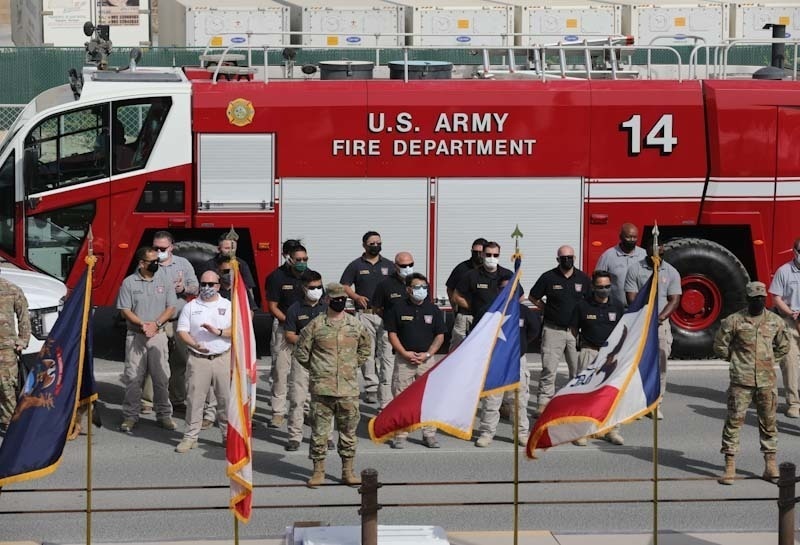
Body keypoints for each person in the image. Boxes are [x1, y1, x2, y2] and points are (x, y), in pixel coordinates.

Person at [294, 283, 371, 488]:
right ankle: (318, 471)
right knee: (320, 433)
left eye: (343, 299)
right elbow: (301, 352)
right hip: (322, 389)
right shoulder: (315, 325)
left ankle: (348, 471)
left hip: (348, 390)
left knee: (348, 433)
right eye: (336, 298)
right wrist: (319, 369)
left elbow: (365, 349)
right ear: (327, 300)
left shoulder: (355, 325)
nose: (339, 302)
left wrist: (351, 366)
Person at [713, 281, 790, 485]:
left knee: (769, 423)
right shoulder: (734, 321)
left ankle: (770, 464)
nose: (758, 301)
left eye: (761, 298)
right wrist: (735, 359)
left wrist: (769, 360)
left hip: (766, 381)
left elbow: (783, 346)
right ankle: (730, 466)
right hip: (741, 380)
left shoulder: (775, 321)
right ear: (747, 299)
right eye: (754, 298)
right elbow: (720, 345)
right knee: (734, 422)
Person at [117, 247, 178, 432]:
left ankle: (164, 415)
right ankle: (130, 416)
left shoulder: (164, 279)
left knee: (161, 377)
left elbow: (171, 307)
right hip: (136, 335)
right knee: (133, 378)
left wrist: (156, 324)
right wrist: (143, 324)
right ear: (142, 263)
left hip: (158, 335)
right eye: (152, 261)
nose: (156, 264)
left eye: (157, 261)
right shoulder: (129, 283)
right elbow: (125, 310)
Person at [475, 276, 540, 448]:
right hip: (495, 363)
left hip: (517, 362)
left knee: (519, 402)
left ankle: (521, 434)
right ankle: (486, 433)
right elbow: (476, 334)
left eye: (512, 289)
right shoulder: (488, 311)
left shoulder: (525, 312)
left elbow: (533, 332)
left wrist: (520, 347)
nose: (509, 292)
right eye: (504, 288)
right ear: (498, 291)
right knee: (491, 401)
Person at [384, 273, 446, 449]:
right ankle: (401, 434)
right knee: (401, 398)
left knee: (429, 398)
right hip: (404, 361)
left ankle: (429, 434)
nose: (422, 291)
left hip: (426, 360)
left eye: (424, 287)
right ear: (408, 289)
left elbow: (440, 336)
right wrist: (404, 353)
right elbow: (392, 334)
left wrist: (428, 354)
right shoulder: (397, 308)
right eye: (418, 287)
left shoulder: (433, 310)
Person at [529, 245, 591, 417]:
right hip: (552, 330)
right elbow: (533, 296)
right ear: (558, 259)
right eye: (563, 257)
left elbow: (590, 301)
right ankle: (543, 403)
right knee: (549, 369)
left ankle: (573, 404)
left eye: (570, 257)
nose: (567, 260)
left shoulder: (583, 279)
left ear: (575, 258)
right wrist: (545, 309)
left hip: (574, 332)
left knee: (576, 371)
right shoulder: (548, 277)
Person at [174, 270, 231, 453]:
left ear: (218, 286)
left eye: (211, 284)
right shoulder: (190, 307)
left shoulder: (228, 305)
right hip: (198, 359)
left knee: (225, 400)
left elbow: (237, 329)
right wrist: (196, 345)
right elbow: (182, 331)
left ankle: (228, 436)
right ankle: (190, 437)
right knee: (194, 400)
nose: (207, 288)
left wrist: (219, 332)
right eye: (203, 284)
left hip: (222, 358)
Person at [625, 243, 681, 420]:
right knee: (638, 364)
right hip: (640, 323)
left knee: (660, 365)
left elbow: (674, 300)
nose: (658, 257)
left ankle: (655, 403)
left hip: (660, 324)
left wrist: (660, 318)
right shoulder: (635, 269)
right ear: (647, 254)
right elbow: (632, 297)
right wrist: (646, 317)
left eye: (661, 254)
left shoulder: (671, 272)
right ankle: (637, 404)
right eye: (654, 254)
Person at [572, 270, 625, 446]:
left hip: (610, 356)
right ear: (593, 287)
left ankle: (611, 430)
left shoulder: (617, 306)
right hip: (589, 352)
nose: (604, 290)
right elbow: (574, 330)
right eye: (600, 287)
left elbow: (622, 331)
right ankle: (582, 432)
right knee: (585, 393)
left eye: (607, 286)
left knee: (610, 393)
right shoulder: (582, 305)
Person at [340, 231, 393, 405]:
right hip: (365, 315)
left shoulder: (389, 265)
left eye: (378, 242)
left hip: (386, 315)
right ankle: (371, 387)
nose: (376, 245)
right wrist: (355, 297)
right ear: (364, 245)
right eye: (372, 243)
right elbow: (344, 286)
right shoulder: (355, 265)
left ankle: (387, 386)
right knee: (367, 352)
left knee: (386, 352)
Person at [284, 270, 330, 452]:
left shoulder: (328, 308)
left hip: (324, 360)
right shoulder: (294, 309)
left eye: (319, 287)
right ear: (304, 288)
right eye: (312, 288)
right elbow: (289, 335)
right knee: (297, 399)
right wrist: (309, 341)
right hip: (302, 361)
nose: (317, 290)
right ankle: (295, 436)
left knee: (324, 401)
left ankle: (326, 436)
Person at [153, 230, 198, 412]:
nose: (158, 251)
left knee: (180, 361)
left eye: (162, 248)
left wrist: (183, 287)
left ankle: (177, 399)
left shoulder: (183, 264)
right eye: (156, 248)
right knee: (156, 361)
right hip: (157, 321)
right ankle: (151, 402)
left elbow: (196, 288)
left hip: (178, 321)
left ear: (171, 247)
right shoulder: (149, 263)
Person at [266, 240, 307, 428]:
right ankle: (278, 412)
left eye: (305, 259)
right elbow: (272, 306)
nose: (302, 262)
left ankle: (304, 409)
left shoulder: (310, 276)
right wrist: (289, 323)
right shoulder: (276, 277)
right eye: (298, 259)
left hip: (305, 332)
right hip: (283, 329)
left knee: (303, 373)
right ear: (288, 258)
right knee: (281, 372)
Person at [371, 251, 416, 408]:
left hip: (412, 332)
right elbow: (376, 307)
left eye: (411, 265)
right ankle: (385, 405)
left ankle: (408, 404)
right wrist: (391, 320)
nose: (408, 268)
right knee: (387, 369)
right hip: (390, 332)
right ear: (395, 266)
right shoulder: (385, 285)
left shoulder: (419, 283)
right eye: (404, 265)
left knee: (410, 370)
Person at [768, 237, 800, 418]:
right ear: (794, 251)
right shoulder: (784, 271)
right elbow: (776, 297)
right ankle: (794, 403)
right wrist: (789, 312)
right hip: (790, 321)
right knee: (789, 361)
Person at [452, 241, 515, 327]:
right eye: (488, 255)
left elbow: (519, 297)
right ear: (482, 255)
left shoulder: (508, 274)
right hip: (478, 321)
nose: (492, 258)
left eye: (495, 255)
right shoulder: (472, 275)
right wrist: (473, 308)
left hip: (500, 321)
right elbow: (456, 296)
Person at [0, 270, 30, 434]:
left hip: (5, 349)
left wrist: (23, 340)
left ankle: (9, 424)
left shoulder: (11, 289)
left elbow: (24, 316)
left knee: (7, 387)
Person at [445, 238, 487, 351]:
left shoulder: (491, 270)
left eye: (480, 252)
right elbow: (450, 288)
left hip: (485, 315)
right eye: (475, 252)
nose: (478, 255)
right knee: (457, 347)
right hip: (465, 315)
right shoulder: (462, 268)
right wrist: (454, 307)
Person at [595, 223, 646, 308]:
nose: (632, 240)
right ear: (621, 237)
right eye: (629, 237)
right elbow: (597, 279)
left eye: (634, 237)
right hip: (615, 309)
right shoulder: (608, 256)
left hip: (640, 309)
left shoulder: (644, 255)